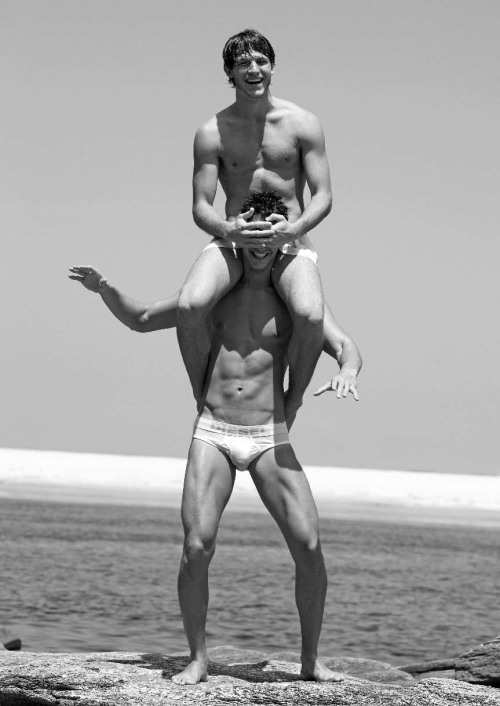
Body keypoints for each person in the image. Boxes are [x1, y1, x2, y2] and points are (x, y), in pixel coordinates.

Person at [69, 191, 362, 686]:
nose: (261, 239)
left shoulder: (295, 299)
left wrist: (348, 371)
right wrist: (105, 289)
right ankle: (198, 659)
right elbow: (142, 318)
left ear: (283, 235)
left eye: (272, 227)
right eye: (252, 228)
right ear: (238, 233)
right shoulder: (213, 293)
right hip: (214, 431)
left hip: (269, 435)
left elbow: (345, 346)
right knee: (197, 546)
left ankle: (311, 660)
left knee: (310, 546)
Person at [177, 28, 333, 429]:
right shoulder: (211, 132)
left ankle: (292, 401)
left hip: (289, 239)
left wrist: (293, 229)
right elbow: (200, 205)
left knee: (310, 315)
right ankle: (201, 394)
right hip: (234, 239)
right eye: (243, 62)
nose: (254, 69)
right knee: (189, 306)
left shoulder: (303, 123)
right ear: (230, 72)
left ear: (273, 66)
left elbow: (323, 195)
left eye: (261, 61)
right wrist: (227, 230)